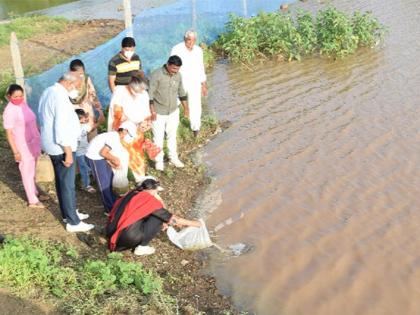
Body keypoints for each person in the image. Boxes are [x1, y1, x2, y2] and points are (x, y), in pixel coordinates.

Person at [38, 72, 94, 233]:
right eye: (76, 86)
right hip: (62, 147)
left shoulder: (49, 91)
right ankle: (73, 222)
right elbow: (60, 128)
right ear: (69, 83)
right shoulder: (60, 98)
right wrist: (68, 152)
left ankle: (67, 213)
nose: (76, 90)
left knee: (62, 182)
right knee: (67, 185)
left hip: (52, 145)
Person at [106, 178, 201, 255]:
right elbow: (173, 219)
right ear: (151, 190)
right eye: (155, 192)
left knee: (160, 216)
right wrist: (196, 224)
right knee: (159, 218)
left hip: (111, 231)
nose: (156, 195)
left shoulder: (132, 193)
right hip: (126, 238)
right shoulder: (148, 200)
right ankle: (142, 247)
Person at [108, 76, 160, 182]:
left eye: (143, 89)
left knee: (137, 153)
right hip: (123, 130)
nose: (142, 91)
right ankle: (120, 179)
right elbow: (116, 111)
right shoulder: (120, 91)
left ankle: (140, 178)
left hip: (137, 129)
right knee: (121, 154)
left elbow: (146, 112)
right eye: (140, 89)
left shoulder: (143, 94)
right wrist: (126, 122)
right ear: (133, 85)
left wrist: (146, 122)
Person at [3, 84, 44, 208]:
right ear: (9, 96)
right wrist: (16, 151)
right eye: (15, 96)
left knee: (33, 169)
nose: (19, 98)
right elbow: (9, 133)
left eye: (21, 95)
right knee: (26, 170)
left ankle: (35, 192)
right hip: (22, 145)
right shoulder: (9, 111)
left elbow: (32, 120)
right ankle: (32, 200)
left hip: (33, 141)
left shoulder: (23, 104)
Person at [86, 121, 137, 214]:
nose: (128, 138)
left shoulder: (115, 137)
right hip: (94, 157)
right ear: (125, 131)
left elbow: (106, 154)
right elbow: (103, 152)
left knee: (110, 179)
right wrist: (115, 159)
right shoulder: (113, 137)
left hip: (101, 157)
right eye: (129, 135)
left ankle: (114, 203)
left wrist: (112, 162)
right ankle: (109, 210)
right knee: (104, 183)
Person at [149, 55, 189, 171]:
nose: (175, 71)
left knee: (172, 136)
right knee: (158, 138)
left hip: (173, 111)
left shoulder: (178, 75)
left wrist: (186, 108)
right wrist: (152, 110)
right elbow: (150, 94)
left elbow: (181, 92)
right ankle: (159, 161)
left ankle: (173, 158)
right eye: (173, 69)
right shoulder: (157, 75)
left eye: (177, 69)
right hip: (158, 112)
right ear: (168, 64)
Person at [170, 29, 207, 137]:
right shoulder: (177, 49)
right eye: (188, 40)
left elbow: (201, 67)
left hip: (194, 81)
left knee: (195, 105)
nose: (190, 42)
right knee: (174, 102)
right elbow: (172, 66)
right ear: (184, 39)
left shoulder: (198, 51)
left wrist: (203, 83)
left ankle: (196, 129)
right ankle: (171, 128)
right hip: (180, 80)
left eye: (193, 40)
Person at [69, 59, 105, 141]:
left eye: (82, 74)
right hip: (74, 112)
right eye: (77, 74)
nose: (80, 77)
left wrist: (100, 112)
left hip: (87, 109)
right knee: (79, 138)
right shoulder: (66, 82)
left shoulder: (86, 79)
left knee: (92, 134)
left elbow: (92, 94)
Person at [75, 109, 96, 193]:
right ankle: (86, 185)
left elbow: (92, 127)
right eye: (83, 117)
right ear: (79, 119)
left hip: (86, 150)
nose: (85, 119)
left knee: (87, 167)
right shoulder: (74, 129)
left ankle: (86, 181)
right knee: (84, 168)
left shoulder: (84, 126)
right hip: (79, 153)